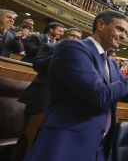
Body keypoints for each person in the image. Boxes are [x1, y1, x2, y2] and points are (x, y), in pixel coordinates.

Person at [25, 10, 128, 161]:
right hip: (66, 143)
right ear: (101, 25)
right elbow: (99, 96)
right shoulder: (73, 48)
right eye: (120, 29)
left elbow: (127, 95)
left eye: (125, 32)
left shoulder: (110, 63)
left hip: (100, 147)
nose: (123, 36)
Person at [14, 28, 82, 159]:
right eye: (72, 36)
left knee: (45, 141)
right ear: (63, 38)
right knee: (28, 137)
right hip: (41, 98)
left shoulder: (78, 56)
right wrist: (62, 54)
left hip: (60, 103)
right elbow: (37, 65)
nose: (75, 39)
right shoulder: (50, 47)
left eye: (78, 38)